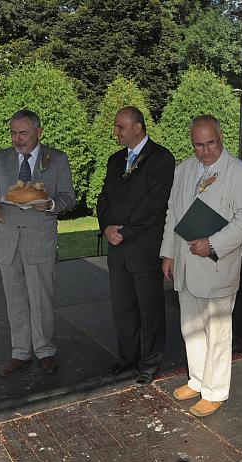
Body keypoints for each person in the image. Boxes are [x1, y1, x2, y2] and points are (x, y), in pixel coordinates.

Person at [160, 115, 242, 417]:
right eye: (198, 146)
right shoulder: (183, 170)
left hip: (217, 265)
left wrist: (213, 243)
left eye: (211, 143)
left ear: (222, 138)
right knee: (191, 327)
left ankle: (215, 391)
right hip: (185, 264)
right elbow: (173, 212)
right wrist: (168, 253)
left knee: (216, 331)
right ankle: (198, 380)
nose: (205, 151)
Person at [0, 109, 76, 376]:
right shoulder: (0, 159)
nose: (17, 139)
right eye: (13, 133)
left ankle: (45, 350)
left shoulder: (57, 159)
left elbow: (69, 197)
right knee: (15, 299)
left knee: (42, 298)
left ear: (38, 133)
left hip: (39, 240)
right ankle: (20, 352)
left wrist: (51, 204)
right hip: (8, 240)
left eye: (23, 133)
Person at [97, 107, 175, 386]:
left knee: (149, 308)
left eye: (120, 127)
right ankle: (127, 358)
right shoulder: (115, 160)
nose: (115, 132)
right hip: (118, 250)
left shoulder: (161, 159)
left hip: (143, 248)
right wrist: (106, 227)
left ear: (138, 127)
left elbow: (156, 204)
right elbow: (103, 197)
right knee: (123, 309)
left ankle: (150, 363)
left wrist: (125, 232)